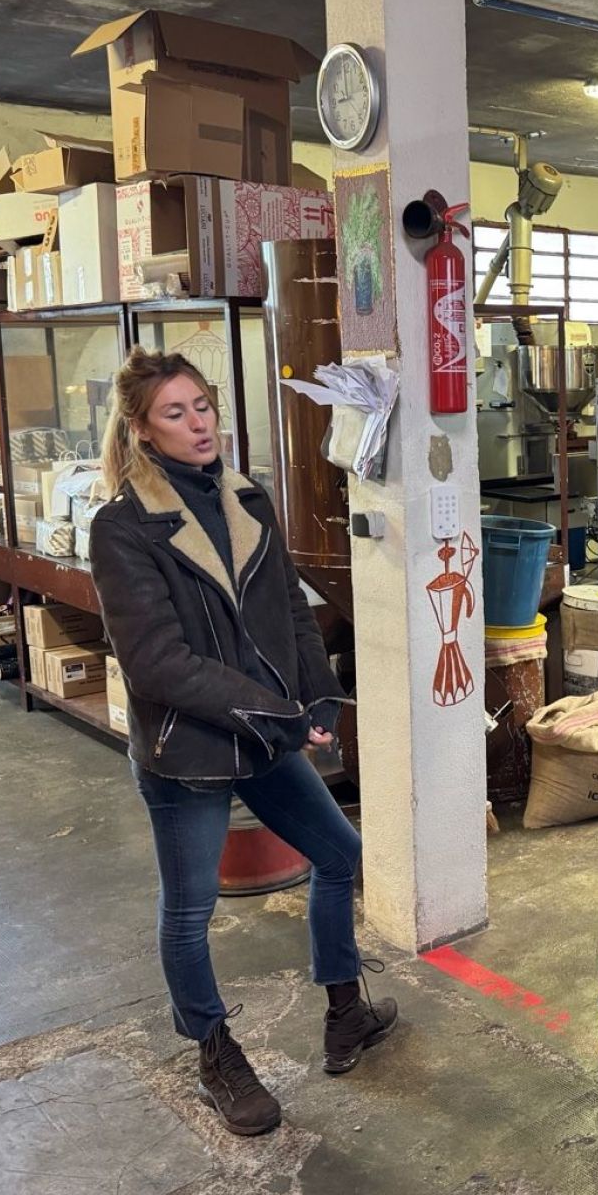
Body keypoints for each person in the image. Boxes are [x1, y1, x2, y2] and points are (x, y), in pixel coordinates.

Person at [90, 347, 391, 1138]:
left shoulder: (247, 497)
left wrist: (318, 690)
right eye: (176, 414)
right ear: (143, 432)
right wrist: (272, 711)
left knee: (339, 853)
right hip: (187, 750)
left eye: (204, 407)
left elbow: (290, 611)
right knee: (190, 914)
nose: (198, 425)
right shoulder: (122, 528)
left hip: (262, 734)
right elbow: (156, 663)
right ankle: (215, 1053)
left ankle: (345, 1009)